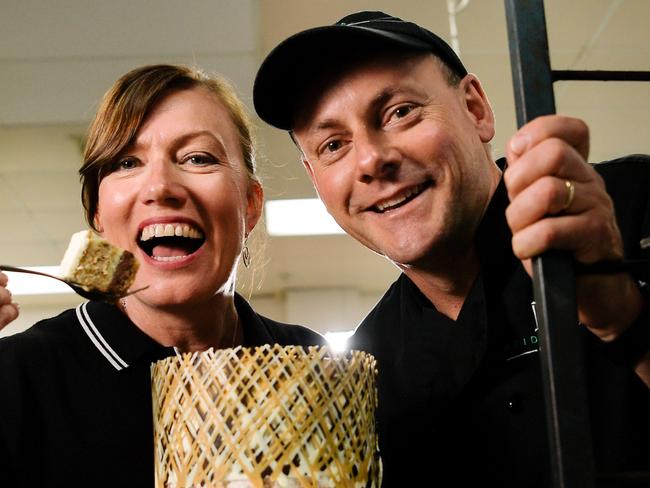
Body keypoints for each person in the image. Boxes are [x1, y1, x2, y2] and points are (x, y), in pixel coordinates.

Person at [253, 10, 650, 487]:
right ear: (316, 179)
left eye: (399, 112)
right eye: (334, 144)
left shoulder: (631, 204)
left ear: (476, 109)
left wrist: (624, 317)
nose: (372, 160)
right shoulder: (366, 372)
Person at [0, 64, 324, 486]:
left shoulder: (311, 364)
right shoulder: (16, 379)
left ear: (249, 202)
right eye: (127, 162)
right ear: (98, 212)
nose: (160, 186)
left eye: (198, 158)